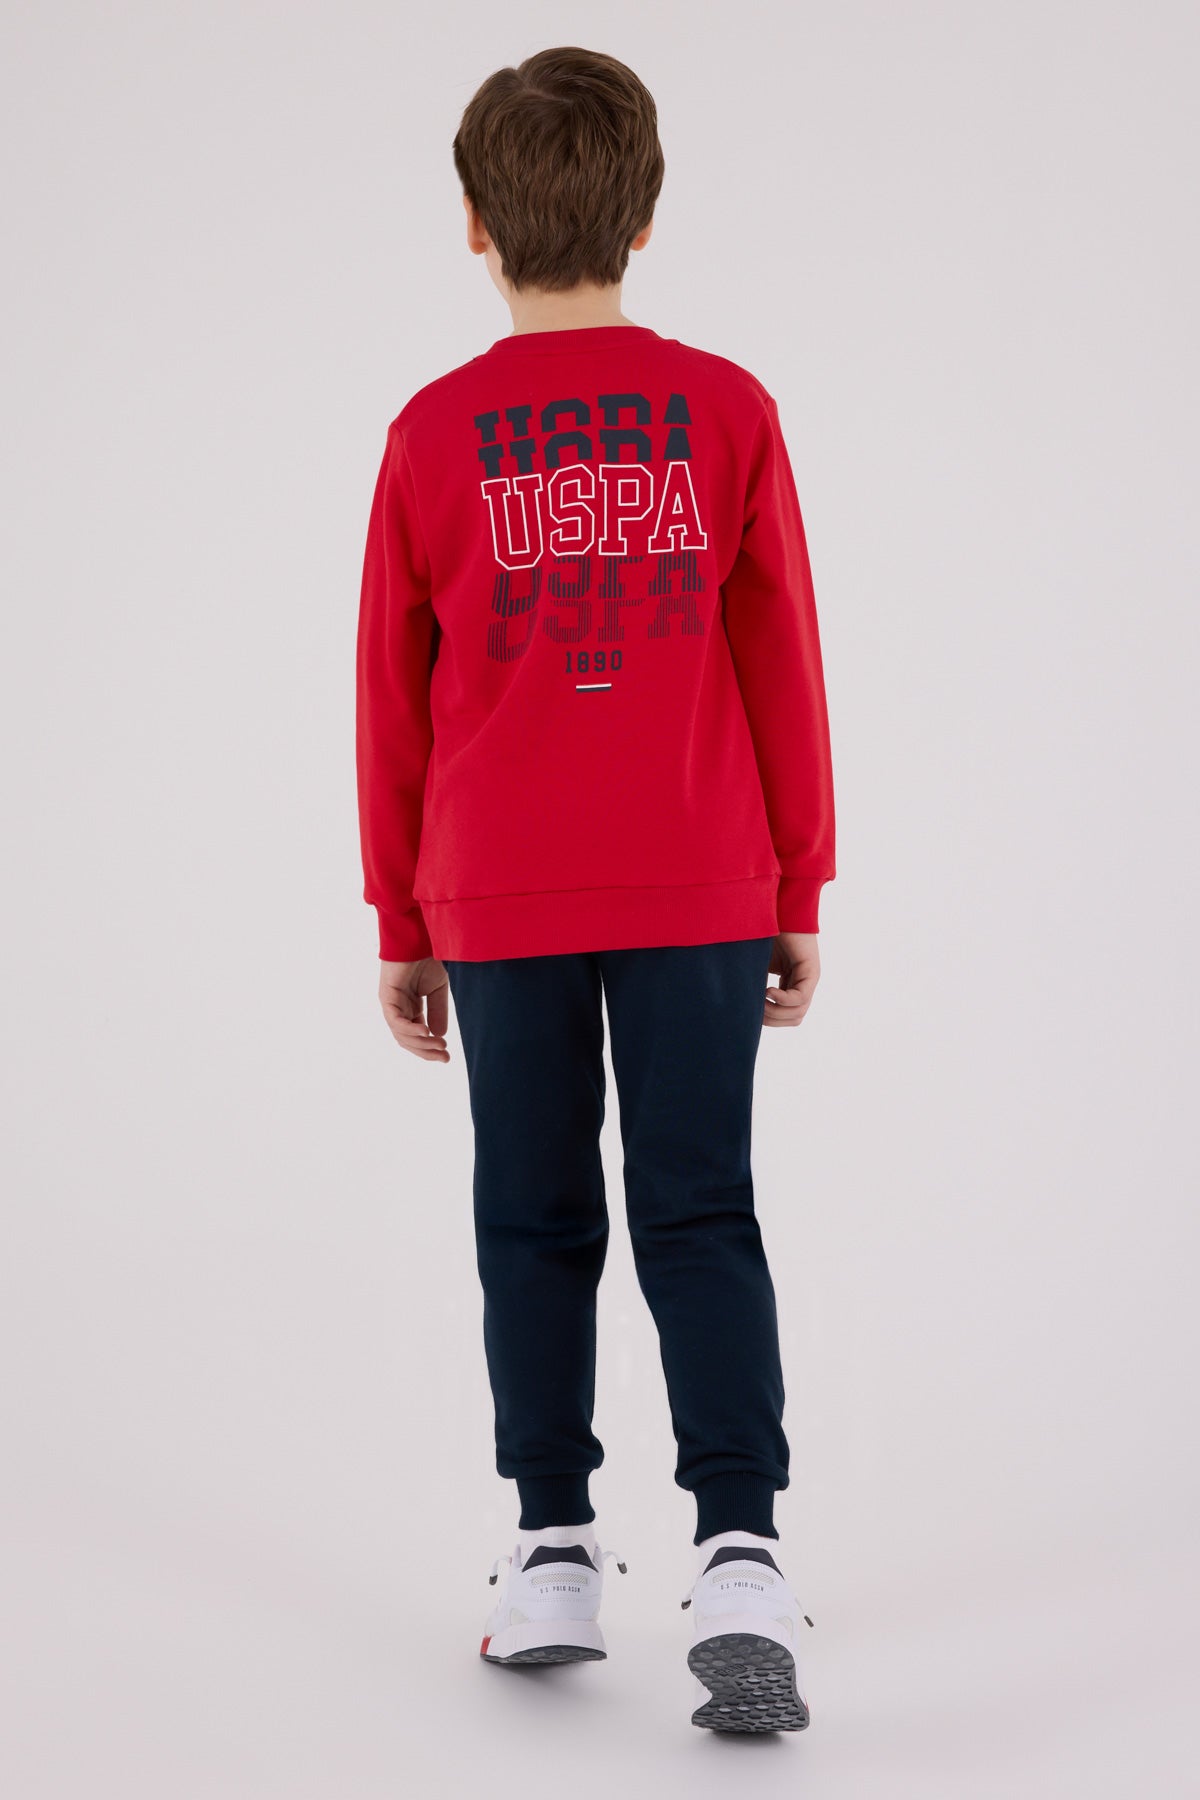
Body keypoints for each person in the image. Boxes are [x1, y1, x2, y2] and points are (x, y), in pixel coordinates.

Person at [355, 45, 834, 1733]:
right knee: (702, 1207)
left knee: (533, 1213)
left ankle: (553, 1542)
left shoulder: (431, 434)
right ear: (645, 214)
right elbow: (781, 657)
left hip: (497, 891)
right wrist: (798, 881)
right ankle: (740, 1549)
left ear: (474, 225)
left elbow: (391, 696)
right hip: (703, 874)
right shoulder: (729, 410)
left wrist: (401, 919)